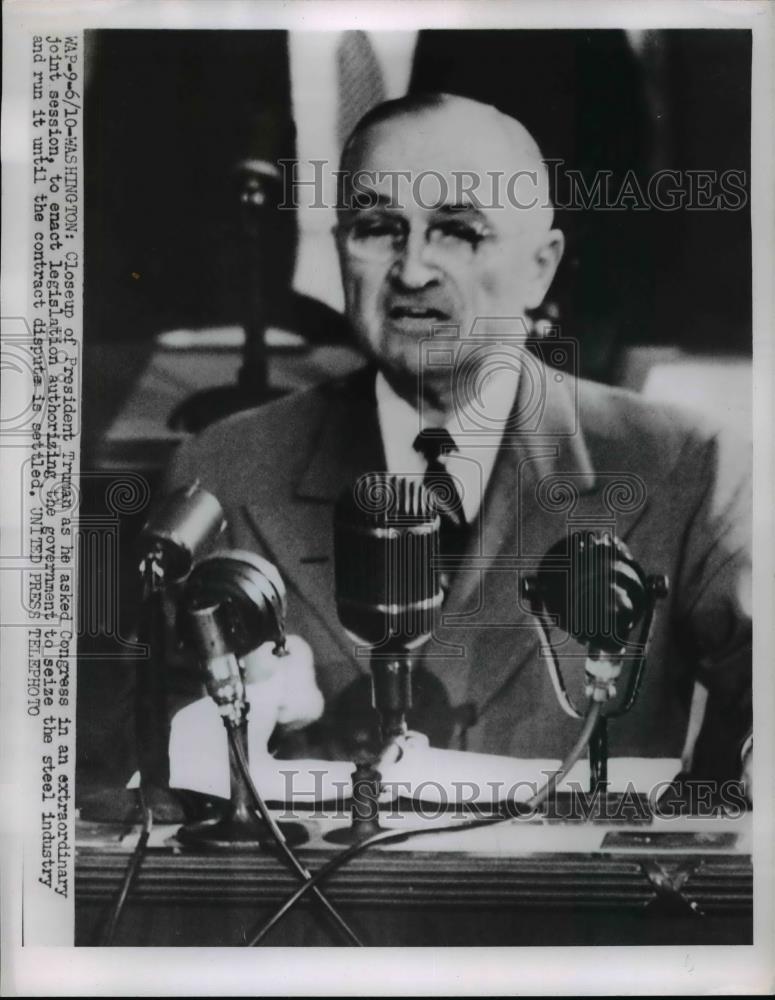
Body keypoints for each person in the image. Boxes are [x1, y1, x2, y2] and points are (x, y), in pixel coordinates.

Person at [166, 93, 751, 788]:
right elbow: (134, 781)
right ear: (338, 252)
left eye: (458, 230)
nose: (412, 271)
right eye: (378, 227)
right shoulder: (223, 471)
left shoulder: (684, 465)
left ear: (541, 267)